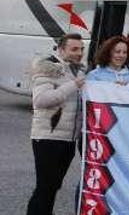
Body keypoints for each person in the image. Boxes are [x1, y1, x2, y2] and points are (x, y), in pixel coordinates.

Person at [27, 34, 86, 215]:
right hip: (48, 138)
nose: (79, 53)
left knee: (53, 186)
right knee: (45, 187)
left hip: (68, 139)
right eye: (74, 49)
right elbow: (41, 100)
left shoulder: (79, 70)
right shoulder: (48, 67)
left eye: (81, 49)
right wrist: (73, 86)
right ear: (61, 50)